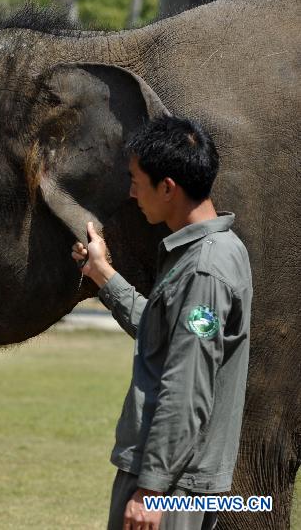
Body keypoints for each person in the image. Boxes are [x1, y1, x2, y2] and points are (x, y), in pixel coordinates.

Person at [72, 116, 252, 530]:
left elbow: (188, 386)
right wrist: (102, 275)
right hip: (178, 479)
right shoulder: (218, 249)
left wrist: (151, 488)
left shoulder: (204, 270)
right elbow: (166, 336)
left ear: (167, 187)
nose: (131, 192)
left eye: (136, 180)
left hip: (171, 486)